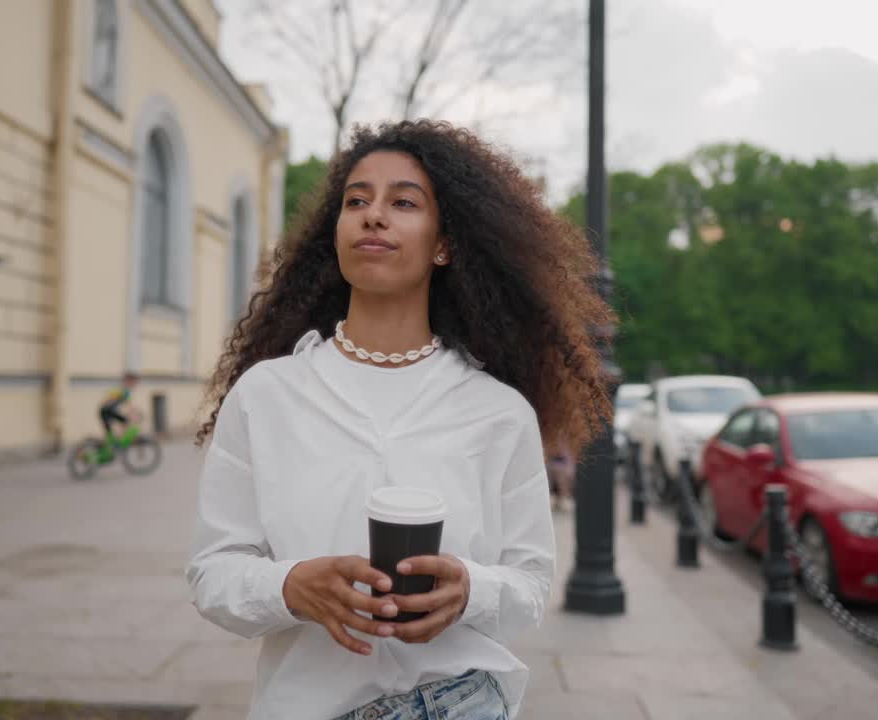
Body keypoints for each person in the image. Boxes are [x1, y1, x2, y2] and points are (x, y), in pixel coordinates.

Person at [186, 120, 614, 720]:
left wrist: (472, 590)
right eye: (356, 200)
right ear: (334, 236)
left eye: (403, 202)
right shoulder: (266, 395)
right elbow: (213, 572)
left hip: (463, 703)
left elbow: (531, 584)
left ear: (444, 244)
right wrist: (288, 587)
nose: (373, 215)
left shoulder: (497, 412)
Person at [98, 372, 139, 446]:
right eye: (133, 382)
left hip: (106, 411)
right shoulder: (124, 390)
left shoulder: (123, 390)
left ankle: (113, 442)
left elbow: (128, 405)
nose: (134, 384)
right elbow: (129, 406)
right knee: (125, 422)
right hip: (106, 411)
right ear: (128, 381)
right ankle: (115, 442)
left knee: (112, 431)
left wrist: (133, 413)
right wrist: (134, 415)